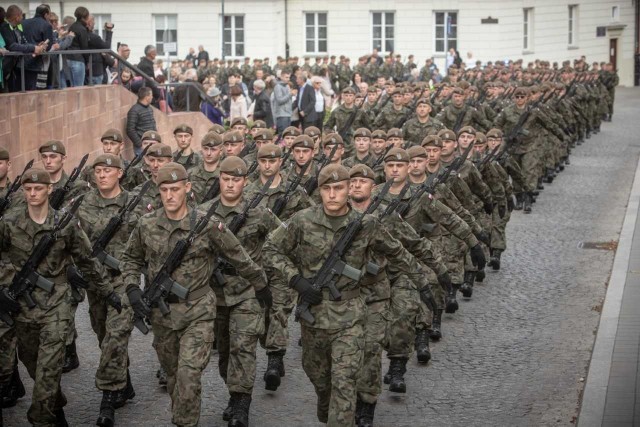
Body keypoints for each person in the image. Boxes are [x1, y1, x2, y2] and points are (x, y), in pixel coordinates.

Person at [262, 163, 423, 426]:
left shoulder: (366, 224)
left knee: (344, 381)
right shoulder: (302, 221)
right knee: (321, 379)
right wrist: (296, 280)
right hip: (313, 319)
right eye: (327, 188)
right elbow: (270, 249)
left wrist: (425, 284)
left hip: (351, 317)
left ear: (348, 189)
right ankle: (328, 408)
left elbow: (398, 253)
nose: (333, 194)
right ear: (320, 192)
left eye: (339, 188)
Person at [121, 162, 267, 427]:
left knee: (189, 375)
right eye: (164, 189)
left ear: (187, 188)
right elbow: (130, 259)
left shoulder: (207, 224)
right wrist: (132, 288)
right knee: (174, 376)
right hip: (162, 315)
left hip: (198, 311)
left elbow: (240, 257)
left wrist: (262, 286)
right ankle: (183, 416)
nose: (169, 195)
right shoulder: (146, 224)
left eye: (175, 189)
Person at [0, 167, 121, 426]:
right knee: (32, 364)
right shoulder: (9, 222)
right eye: (28, 189)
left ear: (49, 189)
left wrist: (108, 292)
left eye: (38, 188)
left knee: (48, 370)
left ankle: (42, 418)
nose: (33, 193)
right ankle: (57, 410)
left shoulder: (65, 224)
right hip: (22, 308)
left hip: (56, 305)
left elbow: (87, 261)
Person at [200, 156, 276, 426]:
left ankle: (242, 402)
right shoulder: (203, 213)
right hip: (214, 293)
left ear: (245, 181)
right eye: (226, 179)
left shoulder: (260, 212)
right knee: (224, 351)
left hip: (247, 291)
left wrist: (267, 276)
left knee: (243, 346)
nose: (230, 184)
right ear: (219, 179)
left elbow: (281, 242)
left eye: (236, 180)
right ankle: (234, 393)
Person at [75, 154, 140, 427]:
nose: (102, 175)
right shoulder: (82, 205)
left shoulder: (133, 205)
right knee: (103, 336)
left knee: (115, 337)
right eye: (98, 171)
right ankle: (124, 383)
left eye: (108, 170)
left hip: (122, 281)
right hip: (95, 283)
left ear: (120, 173)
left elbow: (146, 242)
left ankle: (107, 400)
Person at [0, 5, 47, 92]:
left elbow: (22, 43)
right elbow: (12, 46)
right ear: (17, 16)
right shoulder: (5, 27)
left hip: (11, 68)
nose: (23, 18)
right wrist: (33, 48)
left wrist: (37, 46)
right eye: (22, 15)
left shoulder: (16, 28)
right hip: (5, 68)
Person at [126, 87, 157, 156]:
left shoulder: (150, 108)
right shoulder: (134, 111)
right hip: (141, 148)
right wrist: (140, 144)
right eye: (151, 95)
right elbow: (130, 130)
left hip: (153, 145)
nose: (152, 97)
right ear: (147, 97)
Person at [272, 71, 292, 135]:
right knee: (282, 135)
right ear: (281, 77)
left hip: (288, 114)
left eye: (289, 77)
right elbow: (280, 100)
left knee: (287, 135)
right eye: (286, 77)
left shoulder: (287, 86)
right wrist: (290, 94)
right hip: (282, 115)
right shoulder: (278, 86)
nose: (288, 79)